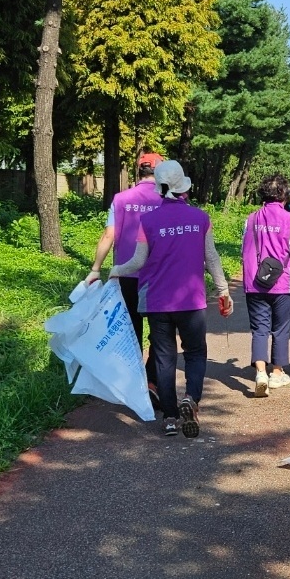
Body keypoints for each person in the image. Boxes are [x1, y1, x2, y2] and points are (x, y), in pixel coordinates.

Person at [109, 160, 233, 438]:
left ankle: (169, 418)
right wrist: (223, 289)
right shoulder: (200, 218)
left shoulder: (148, 220)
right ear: (184, 189)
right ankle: (191, 398)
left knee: (164, 359)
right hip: (191, 301)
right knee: (195, 353)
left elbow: (137, 262)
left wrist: (113, 271)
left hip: (157, 302)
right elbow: (211, 258)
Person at [86, 151, 166, 408]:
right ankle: (152, 380)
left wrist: (96, 268)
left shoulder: (121, 199)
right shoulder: (167, 199)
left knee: (130, 329)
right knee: (160, 332)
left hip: (126, 275)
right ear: (160, 171)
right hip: (158, 276)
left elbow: (109, 235)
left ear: (138, 170)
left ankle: (133, 383)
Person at [241, 173, 290, 397]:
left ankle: (260, 372)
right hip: (283, 282)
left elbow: (245, 246)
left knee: (259, 329)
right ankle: (277, 373)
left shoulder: (251, 219)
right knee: (280, 328)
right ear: (283, 194)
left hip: (255, 281)